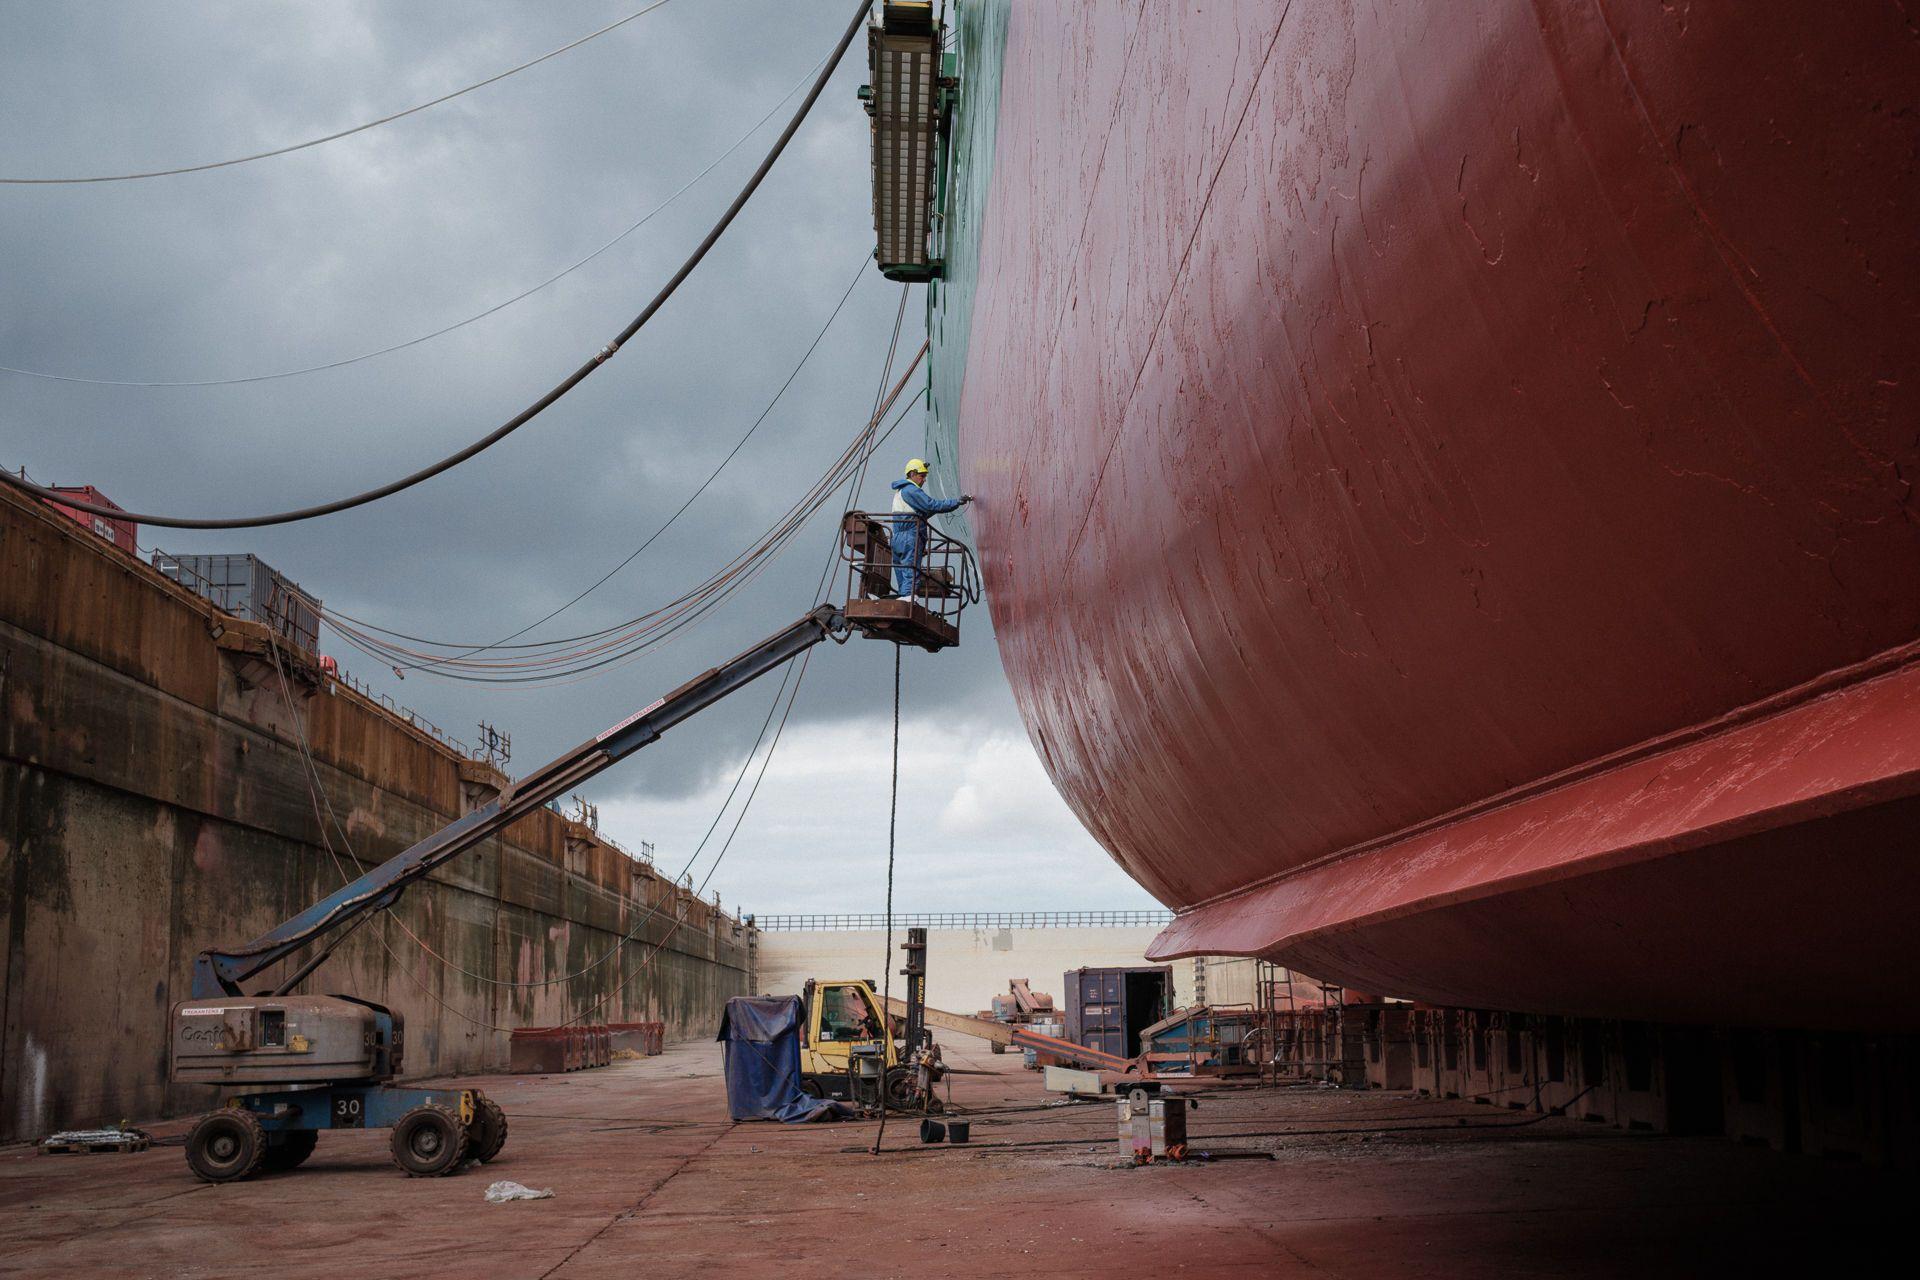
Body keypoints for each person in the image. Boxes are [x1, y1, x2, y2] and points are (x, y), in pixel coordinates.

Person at [890, 459, 971, 599]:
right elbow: (931, 505)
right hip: (910, 536)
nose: (924, 480)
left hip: (898, 537)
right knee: (910, 568)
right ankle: (907, 600)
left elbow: (924, 511)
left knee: (902, 569)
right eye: (922, 476)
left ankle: (903, 597)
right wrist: (955, 502)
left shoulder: (901, 491)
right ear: (912, 474)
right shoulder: (912, 490)